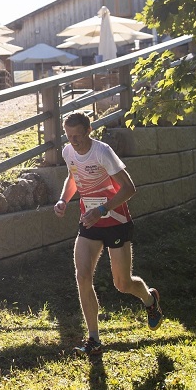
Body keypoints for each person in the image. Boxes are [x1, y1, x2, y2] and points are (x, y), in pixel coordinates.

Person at [53, 112, 162, 359]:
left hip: (115, 221)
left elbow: (129, 188)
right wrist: (63, 200)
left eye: (78, 136)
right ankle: (94, 339)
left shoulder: (102, 152)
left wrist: (102, 210)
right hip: (89, 222)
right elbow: (73, 177)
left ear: (89, 130)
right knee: (82, 276)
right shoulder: (68, 152)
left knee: (122, 284)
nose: (74, 141)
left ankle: (150, 299)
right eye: (69, 136)